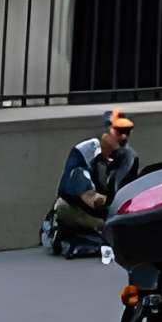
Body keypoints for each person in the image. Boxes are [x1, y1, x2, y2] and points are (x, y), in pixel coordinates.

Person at [42, 107, 138, 256]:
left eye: (127, 132)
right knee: (66, 209)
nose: (124, 138)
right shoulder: (85, 153)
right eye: (119, 132)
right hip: (79, 209)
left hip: (108, 212)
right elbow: (90, 198)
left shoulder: (126, 157)